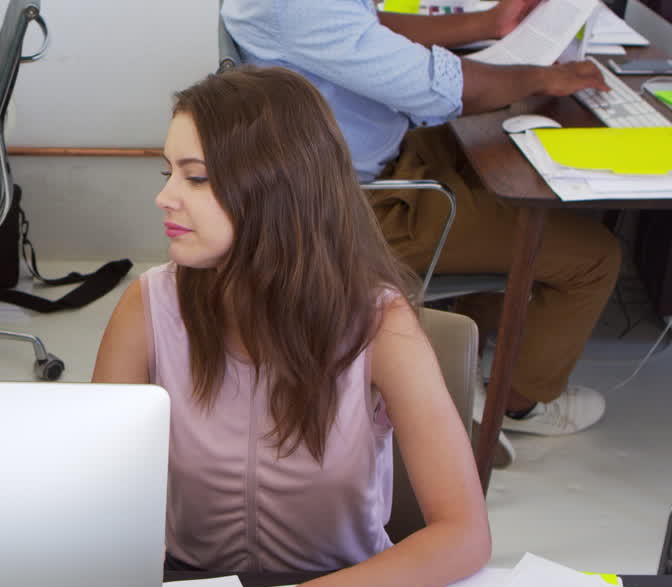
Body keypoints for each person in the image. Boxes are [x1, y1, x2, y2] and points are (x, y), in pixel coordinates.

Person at [92, 67, 490, 587]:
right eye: (168, 173)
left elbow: (465, 535)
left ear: (276, 186)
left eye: (196, 177)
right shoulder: (148, 306)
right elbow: (96, 497)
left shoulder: (380, 324)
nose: (165, 197)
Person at [222, 0, 621, 451]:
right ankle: (516, 405)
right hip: (345, 211)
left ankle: (469, 351)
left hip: (351, 169)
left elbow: (368, 28)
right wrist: (541, 77)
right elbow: (445, 89)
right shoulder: (299, 7)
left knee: (497, 153)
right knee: (594, 258)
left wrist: (490, 24)